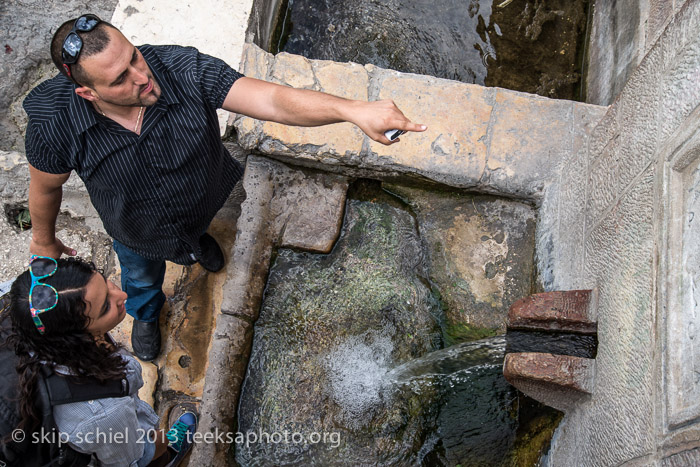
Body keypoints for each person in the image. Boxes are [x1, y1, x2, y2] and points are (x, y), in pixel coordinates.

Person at [24, 14, 427, 361]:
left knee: (202, 233)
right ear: (87, 93)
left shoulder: (181, 67)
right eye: (121, 80)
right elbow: (46, 189)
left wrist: (351, 110)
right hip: (136, 230)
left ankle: (198, 242)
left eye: (135, 57)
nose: (143, 78)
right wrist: (43, 240)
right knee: (141, 280)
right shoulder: (54, 124)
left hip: (203, 199)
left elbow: (272, 100)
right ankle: (146, 316)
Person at [5, 255, 196, 466]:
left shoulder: (32, 312)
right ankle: (170, 455)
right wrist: (158, 443)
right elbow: (130, 457)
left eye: (107, 283)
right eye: (106, 307)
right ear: (77, 338)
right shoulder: (102, 414)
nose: (122, 294)